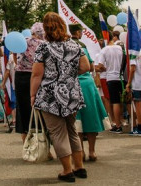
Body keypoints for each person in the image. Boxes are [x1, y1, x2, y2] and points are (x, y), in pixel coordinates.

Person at [31, 12, 90, 183]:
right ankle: (79, 167)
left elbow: (37, 74)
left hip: (50, 95)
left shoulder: (43, 48)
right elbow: (86, 66)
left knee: (57, 133)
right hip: (72, 93)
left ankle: (67, 170)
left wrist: (33, 95)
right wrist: (69, 75)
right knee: (72, 130)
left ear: (46, 29)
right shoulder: (74, 45)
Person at [69, 23, 107, 162]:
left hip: (72, 84)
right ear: (78, 32)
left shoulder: (65, 46)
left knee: (77, 120)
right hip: (86, 84)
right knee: (91, 117)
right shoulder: (82, 46)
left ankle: (81, 152)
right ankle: (92, 151)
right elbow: (90, 67)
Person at [5, 22, 45, 142]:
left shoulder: (23, 41)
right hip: (37, 75)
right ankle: (41, 139)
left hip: (20, 76)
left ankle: (26, 141)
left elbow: (14, 55)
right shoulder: (43, 44)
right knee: (38, 107)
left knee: (22, 108)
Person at [95, 31, 125, 133]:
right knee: (122, 101)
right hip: (121, 77)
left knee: (115, 101)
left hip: (111, 77)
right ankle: (125, 121)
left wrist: (104, 68)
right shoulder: (120, 48)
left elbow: (99, 66)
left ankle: (117, 125)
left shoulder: (104, 50)